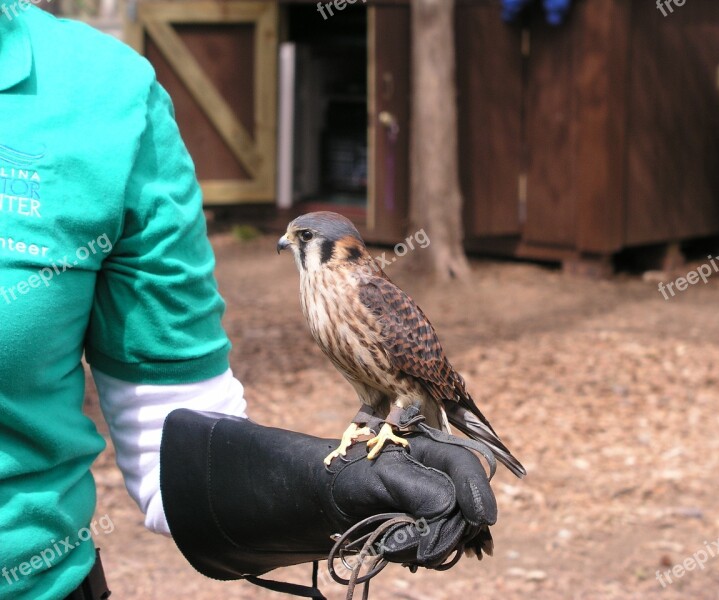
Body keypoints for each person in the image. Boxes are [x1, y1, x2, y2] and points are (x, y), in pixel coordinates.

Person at [0, 5, 497, 599]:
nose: (285, 244)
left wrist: (322, 493)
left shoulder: (105, 96)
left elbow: (175, 444)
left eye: (301, 237)